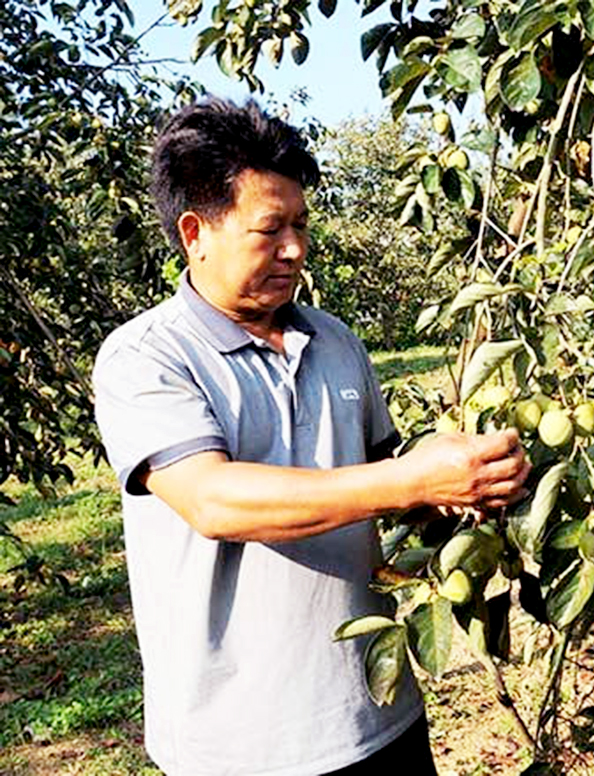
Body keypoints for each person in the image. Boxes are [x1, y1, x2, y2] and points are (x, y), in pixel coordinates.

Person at [92, 97, 530, 776]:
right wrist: (416, 479)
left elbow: (382, 477)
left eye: (300, 224)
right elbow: (214, 501)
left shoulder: (335, 341)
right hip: (237, 747)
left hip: (378, 713)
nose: (295, 248)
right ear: (194, 232)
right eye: (269, 229)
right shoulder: (145, 357)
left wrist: (455, 485)